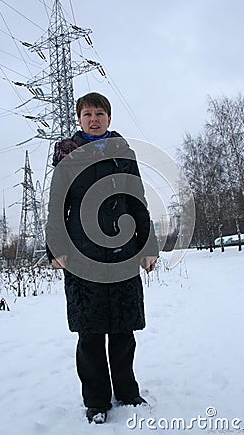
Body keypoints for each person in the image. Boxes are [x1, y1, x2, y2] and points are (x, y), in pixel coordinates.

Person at [46, 92, 158, 424]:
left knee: (124, 330)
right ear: (79, 120)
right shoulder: (67, 158)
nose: (93, 119)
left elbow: (136, 201)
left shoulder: (124, 154)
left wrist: (147, 245)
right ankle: (96, 400)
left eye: (100, 113)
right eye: (87, 114)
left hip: (122, 254)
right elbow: (56, 207)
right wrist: (56, 247)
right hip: (82, 256)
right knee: (91, 332)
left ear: (109, 119)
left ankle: (127, 391)